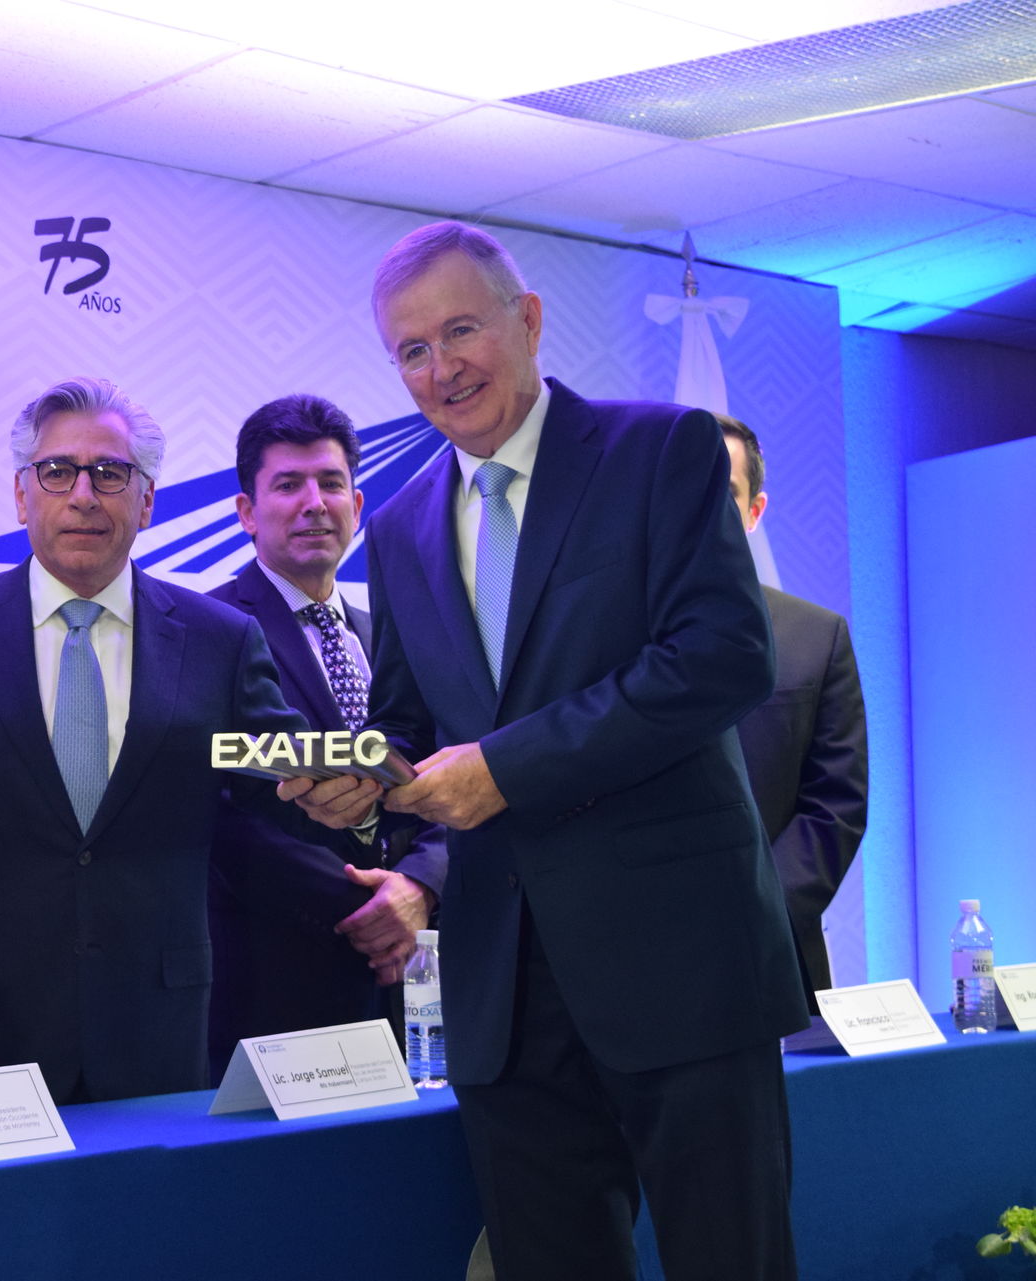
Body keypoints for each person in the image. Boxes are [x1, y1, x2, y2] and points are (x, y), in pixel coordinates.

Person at [289, 222, 808, 1281]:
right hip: (504, 996)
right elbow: (411, 726)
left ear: (527, 322)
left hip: (681, 967)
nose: (442, 369)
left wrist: (508, 769)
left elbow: (720, 659)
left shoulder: (659, 453)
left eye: (462, 330)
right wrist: (365, 784)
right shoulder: (394, 529)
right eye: (412, 351)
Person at [0, 377, 414, 1104]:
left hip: (160, 1021)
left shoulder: (217, 638)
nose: (84, 494)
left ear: (146, 499)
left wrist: (355, 798)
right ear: (22, 494)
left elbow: (274, 777)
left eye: (111, 474)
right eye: (58, 471)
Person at [206, 394, 443, 1072]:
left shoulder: (395, 631)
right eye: (288, 484)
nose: (314, 502)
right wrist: (370, 907)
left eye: (331, 483)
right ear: (247, 512)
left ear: (358, 506)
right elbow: (217, 808)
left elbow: (443, 766)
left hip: (419, 979)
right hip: (275, 984)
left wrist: (419, 887)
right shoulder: (203, 632)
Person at [720, 413, 869, 1004]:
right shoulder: (605, 638)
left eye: (723, 493)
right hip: (634, 969)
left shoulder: (817, 636)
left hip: (776, 958)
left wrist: (753, 913)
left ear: (755, 511)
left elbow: (835, 805)